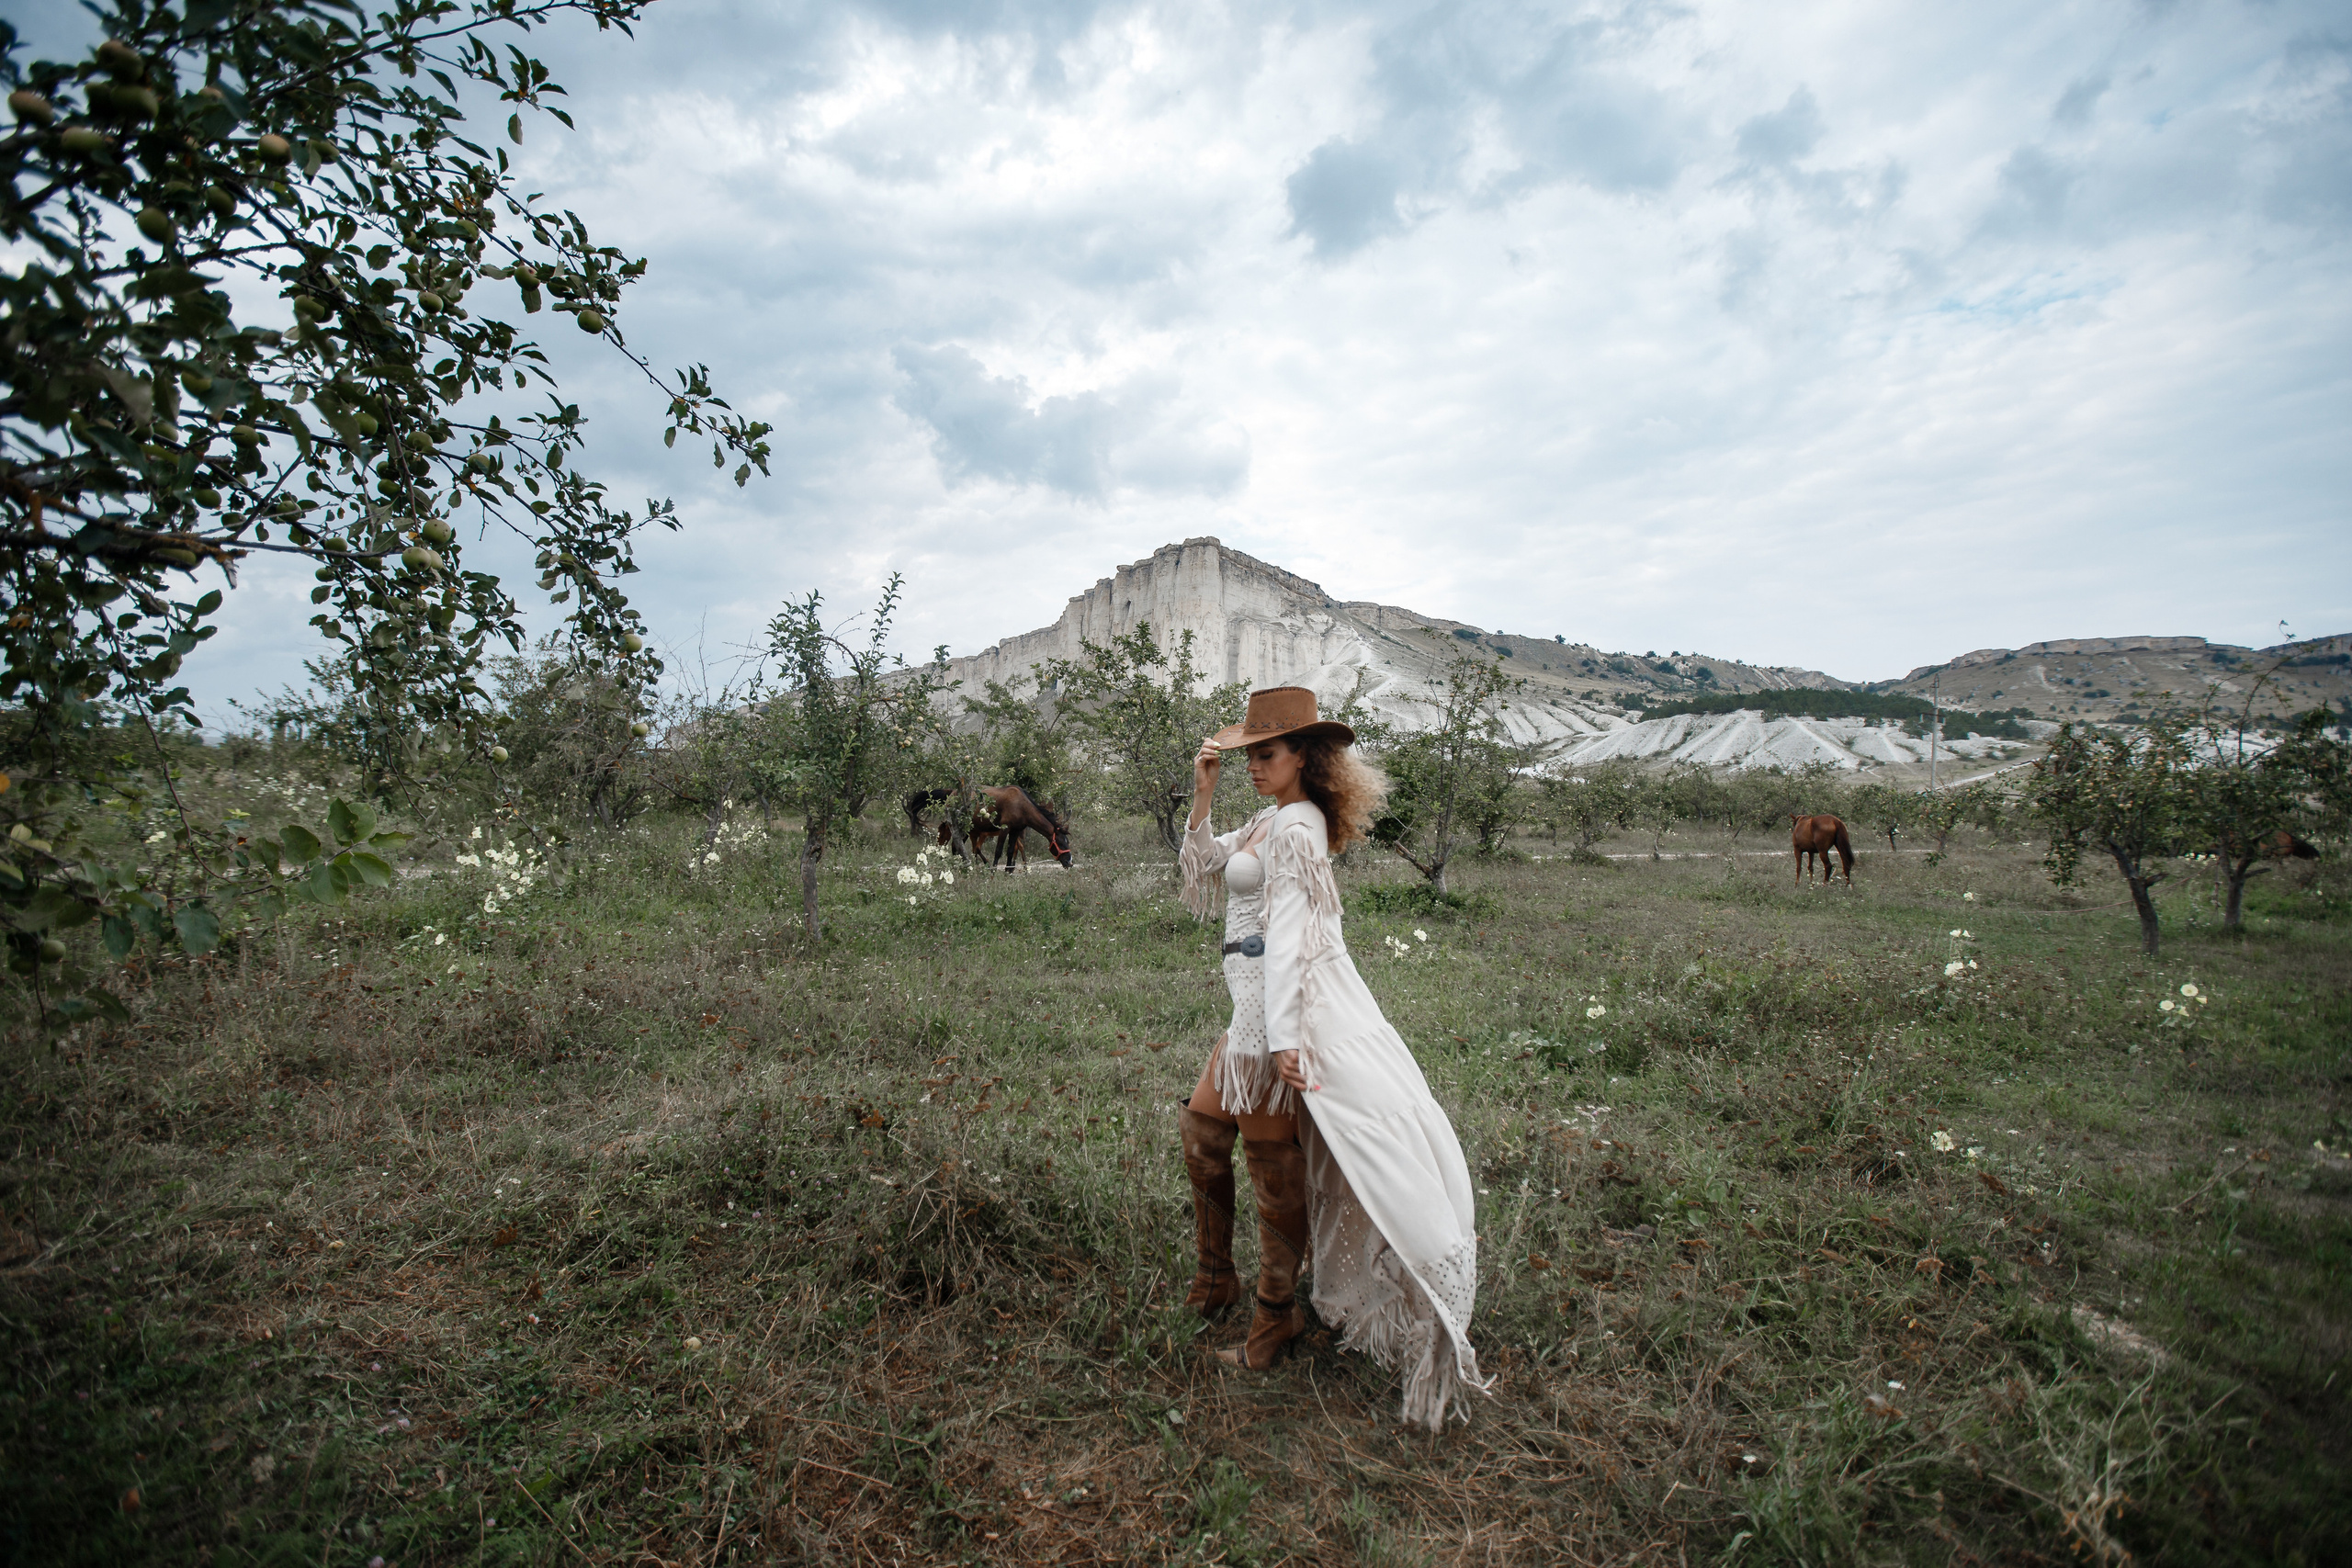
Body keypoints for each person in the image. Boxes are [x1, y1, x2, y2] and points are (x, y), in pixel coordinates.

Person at [1171, 685, 1489, 1429]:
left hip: (1277, 1014)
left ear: (1304, 757)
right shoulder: (1270, 817)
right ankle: (1216, 1278)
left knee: (1262, 1155)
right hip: (1250, 1007)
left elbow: (1294, 937)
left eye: (1268, 752)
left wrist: (1285, 1036)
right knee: (1203, 1132)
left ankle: (1272, 1317)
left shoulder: (1301, 827)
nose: (1255, 762)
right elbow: (1205, 866)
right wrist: (1202, 796)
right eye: (1249, 751)